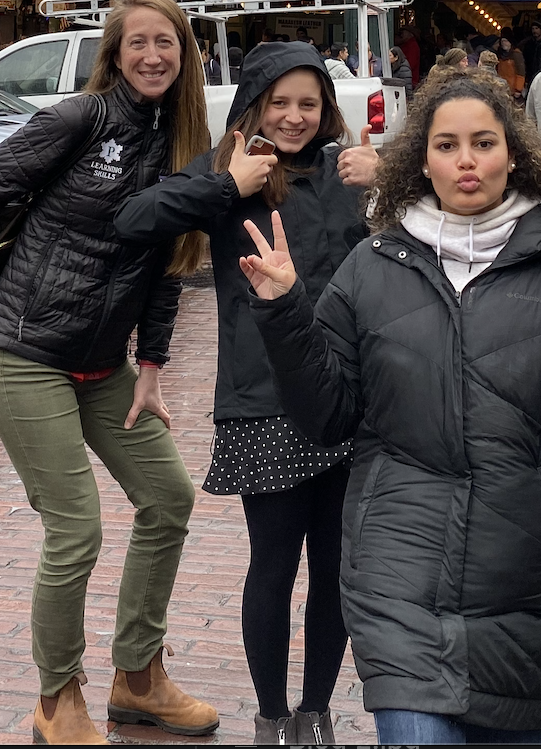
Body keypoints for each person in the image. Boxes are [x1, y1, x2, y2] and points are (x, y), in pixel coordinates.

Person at [243, 71, 541, 744]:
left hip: (529, 584)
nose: (467, 160)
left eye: (483, 142)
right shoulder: (370, 269)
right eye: (447, 145)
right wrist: (284, 315)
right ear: (423, 160)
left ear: (513, 154)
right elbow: (326, 418)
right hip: (401, 574)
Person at [0, 0, 217, 744]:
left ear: (185, 53)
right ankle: (57, 699)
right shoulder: (78, 119)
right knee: (76, 530)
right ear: (115, 53)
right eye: (139, 43)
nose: (153, 56)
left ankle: (139, 678)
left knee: (168, 497)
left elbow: (171, 265)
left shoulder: (183, 143)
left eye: (167, 42)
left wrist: (154, 366)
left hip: (104, 367)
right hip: (26, 355)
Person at [116, 44, 365, 745]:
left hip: (347, 396)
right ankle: (272, 716)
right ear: (254, 106)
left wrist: (390, 175)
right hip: (264, 400)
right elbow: (136, 219)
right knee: (275, 564)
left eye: (308, 104)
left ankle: (316, 712)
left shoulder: (349, 172)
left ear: (327, 112)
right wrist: (225, 185)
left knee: (337, 567)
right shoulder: (230, 172)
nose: (293, 117)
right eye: (279, 103)